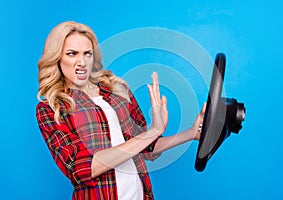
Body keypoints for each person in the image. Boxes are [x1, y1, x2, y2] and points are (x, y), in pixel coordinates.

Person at [36, 21, 205, 200]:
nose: (82, 62)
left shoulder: (117, 91)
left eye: (87, 54)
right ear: (57, 59)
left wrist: (190, 133)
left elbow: (148, 151)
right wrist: (152, 132)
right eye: (72, 54)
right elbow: (82, 169)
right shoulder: (50, 109)